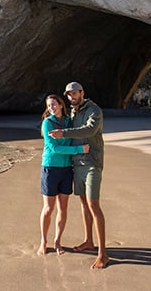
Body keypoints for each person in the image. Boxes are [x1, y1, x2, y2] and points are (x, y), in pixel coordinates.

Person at [49, 82, 109, 269]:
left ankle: (103, 254)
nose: (71, 97)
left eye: (74, 93)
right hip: (77, 163)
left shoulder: (94, 110)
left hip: (92, 163)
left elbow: (89, 130)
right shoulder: (74, 112)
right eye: (68, 95)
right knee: (83, 203)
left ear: (82, 92)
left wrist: (63, 133)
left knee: (93, 204)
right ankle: (88, 240)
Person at [38, 94, 89, 256]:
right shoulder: (47, 124)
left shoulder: (68, 122)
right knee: (48, 208)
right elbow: (54, 148)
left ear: (61, 105)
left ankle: (57, 241)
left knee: (63, 209)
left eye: (54, 104)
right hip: (50, 168)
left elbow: (80, 131)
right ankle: (43, 241)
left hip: (67, 170)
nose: (51, 107)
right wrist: (79, 150)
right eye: (49, 105)